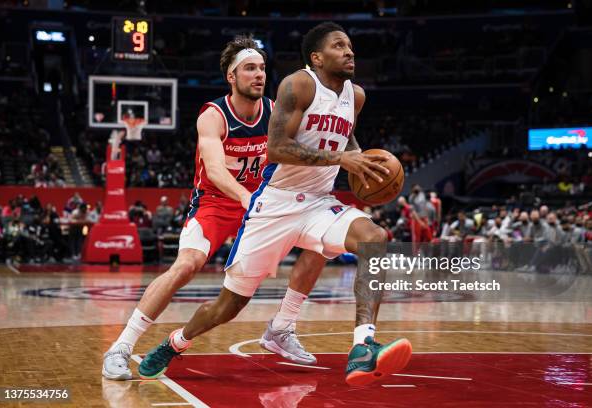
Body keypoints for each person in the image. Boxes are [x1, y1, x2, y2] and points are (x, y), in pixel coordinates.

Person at [139, 22, 412, 386]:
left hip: (318, 204)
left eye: (350, 46)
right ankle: (176, 342)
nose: (349, 52)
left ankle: (362, 346)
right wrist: (341, 161)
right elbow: (277, 148)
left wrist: (363, 162)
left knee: (374, 237)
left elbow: (345, 136)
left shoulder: (355, 96)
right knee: (228, 307)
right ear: (316, 57)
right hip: (274, 207)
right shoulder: (297, 85)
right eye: (339, 46)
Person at [103, 35, 324, 381]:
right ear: (232, 77)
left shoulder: (275, 112)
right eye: (250, 68)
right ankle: (120, 347)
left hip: (264, 203)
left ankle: (282, 327)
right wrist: (243, 197)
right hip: (216, 202)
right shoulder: (213, 115)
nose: (259, 75)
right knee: (186, 265)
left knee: (320, 241)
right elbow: (217, 171)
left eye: (262, 68)